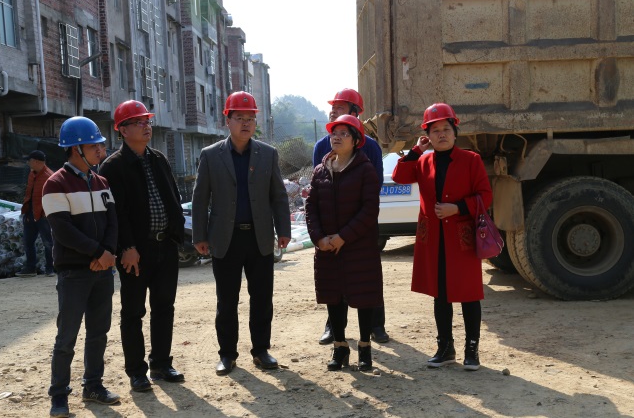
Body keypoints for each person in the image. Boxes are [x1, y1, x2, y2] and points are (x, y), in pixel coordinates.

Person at [192, 91, 291, 376]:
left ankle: (261, 350)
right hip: (226, 238)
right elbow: (200, 198)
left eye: (250, 118)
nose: (245, 123)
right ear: (228, 120)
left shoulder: (268, 154)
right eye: (239, 118)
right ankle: (227, 354)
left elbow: (278, 195)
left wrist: (283, 229)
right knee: (227, 301)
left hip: (259, 238)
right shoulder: (211, 155)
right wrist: (200, 235)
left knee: (262, 298)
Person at [391, 103, 492, 371]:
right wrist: (416, 150)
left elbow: (485, 196)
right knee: (441, 294)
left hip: (462, 238)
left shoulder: (471, 160)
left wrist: (457, 208)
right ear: (428, 136)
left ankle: (472, 350)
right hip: (434, 239)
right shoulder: (423, 161)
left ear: (455, 132)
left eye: (446, 129)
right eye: (435, 130)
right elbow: (399, 176)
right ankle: (445, 348)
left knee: (469, 294)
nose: (441, 134)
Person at [99, 100, 187, 393]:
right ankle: (137, 372)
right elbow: (116, 213)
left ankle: (161, 363)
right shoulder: (113, 166)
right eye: (138, 122)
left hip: (165, 246)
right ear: (122, 130)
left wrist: (176, 235)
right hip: (135, 252)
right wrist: (126, 246)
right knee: (133, 312)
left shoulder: (158, 159)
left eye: (147, 121)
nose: (146, 126)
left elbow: (172, 197)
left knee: (164, 307)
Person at [42, 117, 119, 417]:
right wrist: (99, 252)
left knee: (99, 332)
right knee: (67, 337)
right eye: (94, 146)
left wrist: (107, 253)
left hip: (102, 270)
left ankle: (93, 386)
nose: (101, 151)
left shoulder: (102, 182)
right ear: (76, 149)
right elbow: (63, 230)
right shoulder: (55, 184)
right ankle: (59, 396)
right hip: (74, 272)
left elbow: (112, 222)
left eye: (101, 145)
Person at [305, 114, 383, 371]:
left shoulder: (365, 170)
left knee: (363, 296)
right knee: (333, 296)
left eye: (343, 133)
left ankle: (364, 347)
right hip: (328, 248)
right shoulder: (320, 171)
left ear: (356, 140)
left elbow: (369, 210)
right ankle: (339, 347)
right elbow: (311, 207)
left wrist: (343, 237)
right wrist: (319, 238)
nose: (336, 137)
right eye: (334, 133)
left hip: (359, 247)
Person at [17, 150, 55, 277]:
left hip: (44, 215)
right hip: (31, 213)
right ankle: (30, 268)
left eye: (30, 160)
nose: (28, 163)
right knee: (28, 241)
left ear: (36, 162)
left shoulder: (49, 176)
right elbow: (29, 193)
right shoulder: (32, 174)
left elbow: (52, 198)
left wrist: (46, 213)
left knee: (48, 243)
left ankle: (50, 268)